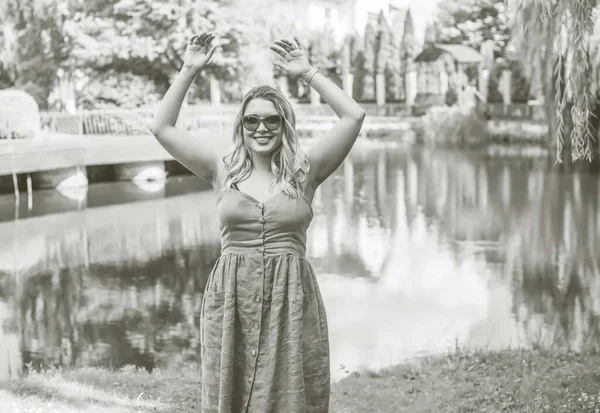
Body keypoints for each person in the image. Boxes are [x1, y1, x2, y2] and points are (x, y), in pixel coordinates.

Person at [150, 31, 366, 413]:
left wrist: (307, 72)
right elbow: (162, 128)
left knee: (290, 393)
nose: (261, 128)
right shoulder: (223, 171)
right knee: (229, 392)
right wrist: (188, 69)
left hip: (291, 297)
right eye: (251, 121)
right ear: (242, 126)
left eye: (271, 120)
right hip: (231, 296)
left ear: (284, 125)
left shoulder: (306, 173)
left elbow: (354, 115)